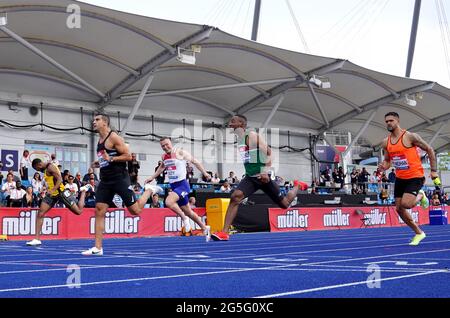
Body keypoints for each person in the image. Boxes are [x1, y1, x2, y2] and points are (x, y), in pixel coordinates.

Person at [211, 115, 302, 241]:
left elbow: (269, 153)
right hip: (250, 177)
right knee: (235, 197)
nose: (229, 123)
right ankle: (224, 233)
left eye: (233, 121)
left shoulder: (251, 136)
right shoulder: (240, 139)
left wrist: (265, 171)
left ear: (241, 124)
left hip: (263, 177)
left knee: (285, 204)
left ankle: (298, 185)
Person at [82, 113, 162, 256]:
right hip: (106, 180)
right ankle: (98, 247)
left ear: (105, 123)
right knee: (99, 210)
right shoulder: (99, 140)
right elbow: (106, 158)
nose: (94, 122)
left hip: (120, 179)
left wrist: (111, 159)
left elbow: (128, 156)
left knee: (135, 211)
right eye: (93, 120)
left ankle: (149, 191)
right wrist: (99, 163)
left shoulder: (114, 137)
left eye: (97, 120)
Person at [378, 112, 438, 246]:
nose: (388, 123)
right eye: (386, 121)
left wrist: (434, 171)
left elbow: (429, 149)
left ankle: (421, 195)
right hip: (400, 178)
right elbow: (388, 161)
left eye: (391, 120)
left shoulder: (410, 137)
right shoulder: (385, 142)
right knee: (399, 209)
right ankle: (419, 233)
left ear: (398, 121)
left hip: (415, 175)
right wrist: (384, 166)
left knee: (407, 204)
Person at [146, 137, 211, 240]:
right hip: (174, 186)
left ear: (171, 143)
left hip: (183, 185)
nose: (165, 147)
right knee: (189, 211)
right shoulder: (164, 156)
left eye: (167, 144)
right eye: (163, 146)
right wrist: (152, 177)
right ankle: (205, 228)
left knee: (168, 202)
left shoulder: (180, 153)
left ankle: (184, 219)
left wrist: (205, 173)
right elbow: (162, 167)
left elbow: (195, 161)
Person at [26, 158, 90, 246]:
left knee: (78, 211)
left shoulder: (50, 167)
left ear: (39, 165)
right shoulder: (45, 169)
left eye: (37, 169)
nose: (38, 170)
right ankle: (37, 239)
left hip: (61, 192)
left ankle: (83, 191)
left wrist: (53, 189)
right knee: (40, 213)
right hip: (52, 195)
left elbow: (60, 179)